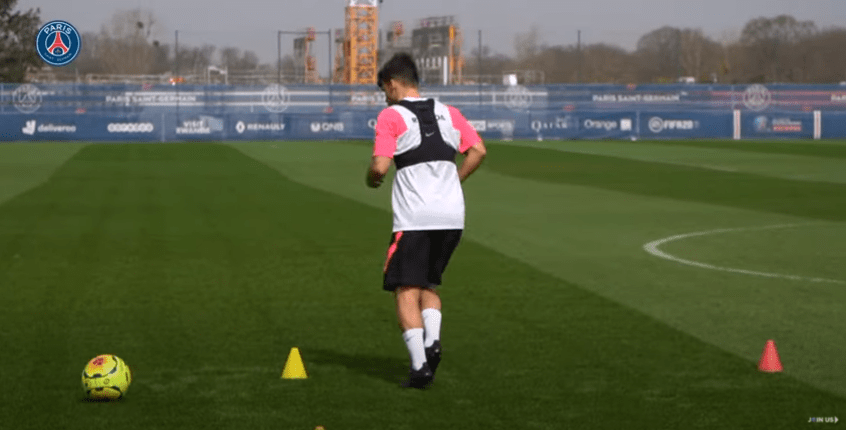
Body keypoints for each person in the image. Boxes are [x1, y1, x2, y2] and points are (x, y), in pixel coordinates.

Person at [365, 53, 487, 389]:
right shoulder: (450, 112)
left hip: (415, 217)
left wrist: (371, 178)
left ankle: (420, 367)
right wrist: (455, 180)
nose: (385, 97)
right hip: (452, 215)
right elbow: (478, 151)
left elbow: (380, 166)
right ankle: (432, 340)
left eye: (384, 90)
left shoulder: (391, 116)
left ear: (392, 84)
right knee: (427, 286)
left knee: (405, 289)